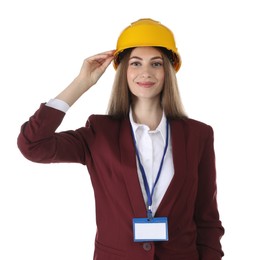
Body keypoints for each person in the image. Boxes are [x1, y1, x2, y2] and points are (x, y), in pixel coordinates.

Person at [17, 18, 224, 259]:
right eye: (135, 63)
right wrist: (81, 83)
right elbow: (32, 145)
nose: (145, 72)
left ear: (167, 71)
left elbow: (207, 219)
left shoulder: (198, 135)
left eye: (155, 64)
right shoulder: (99, 132)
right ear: (124, 70)